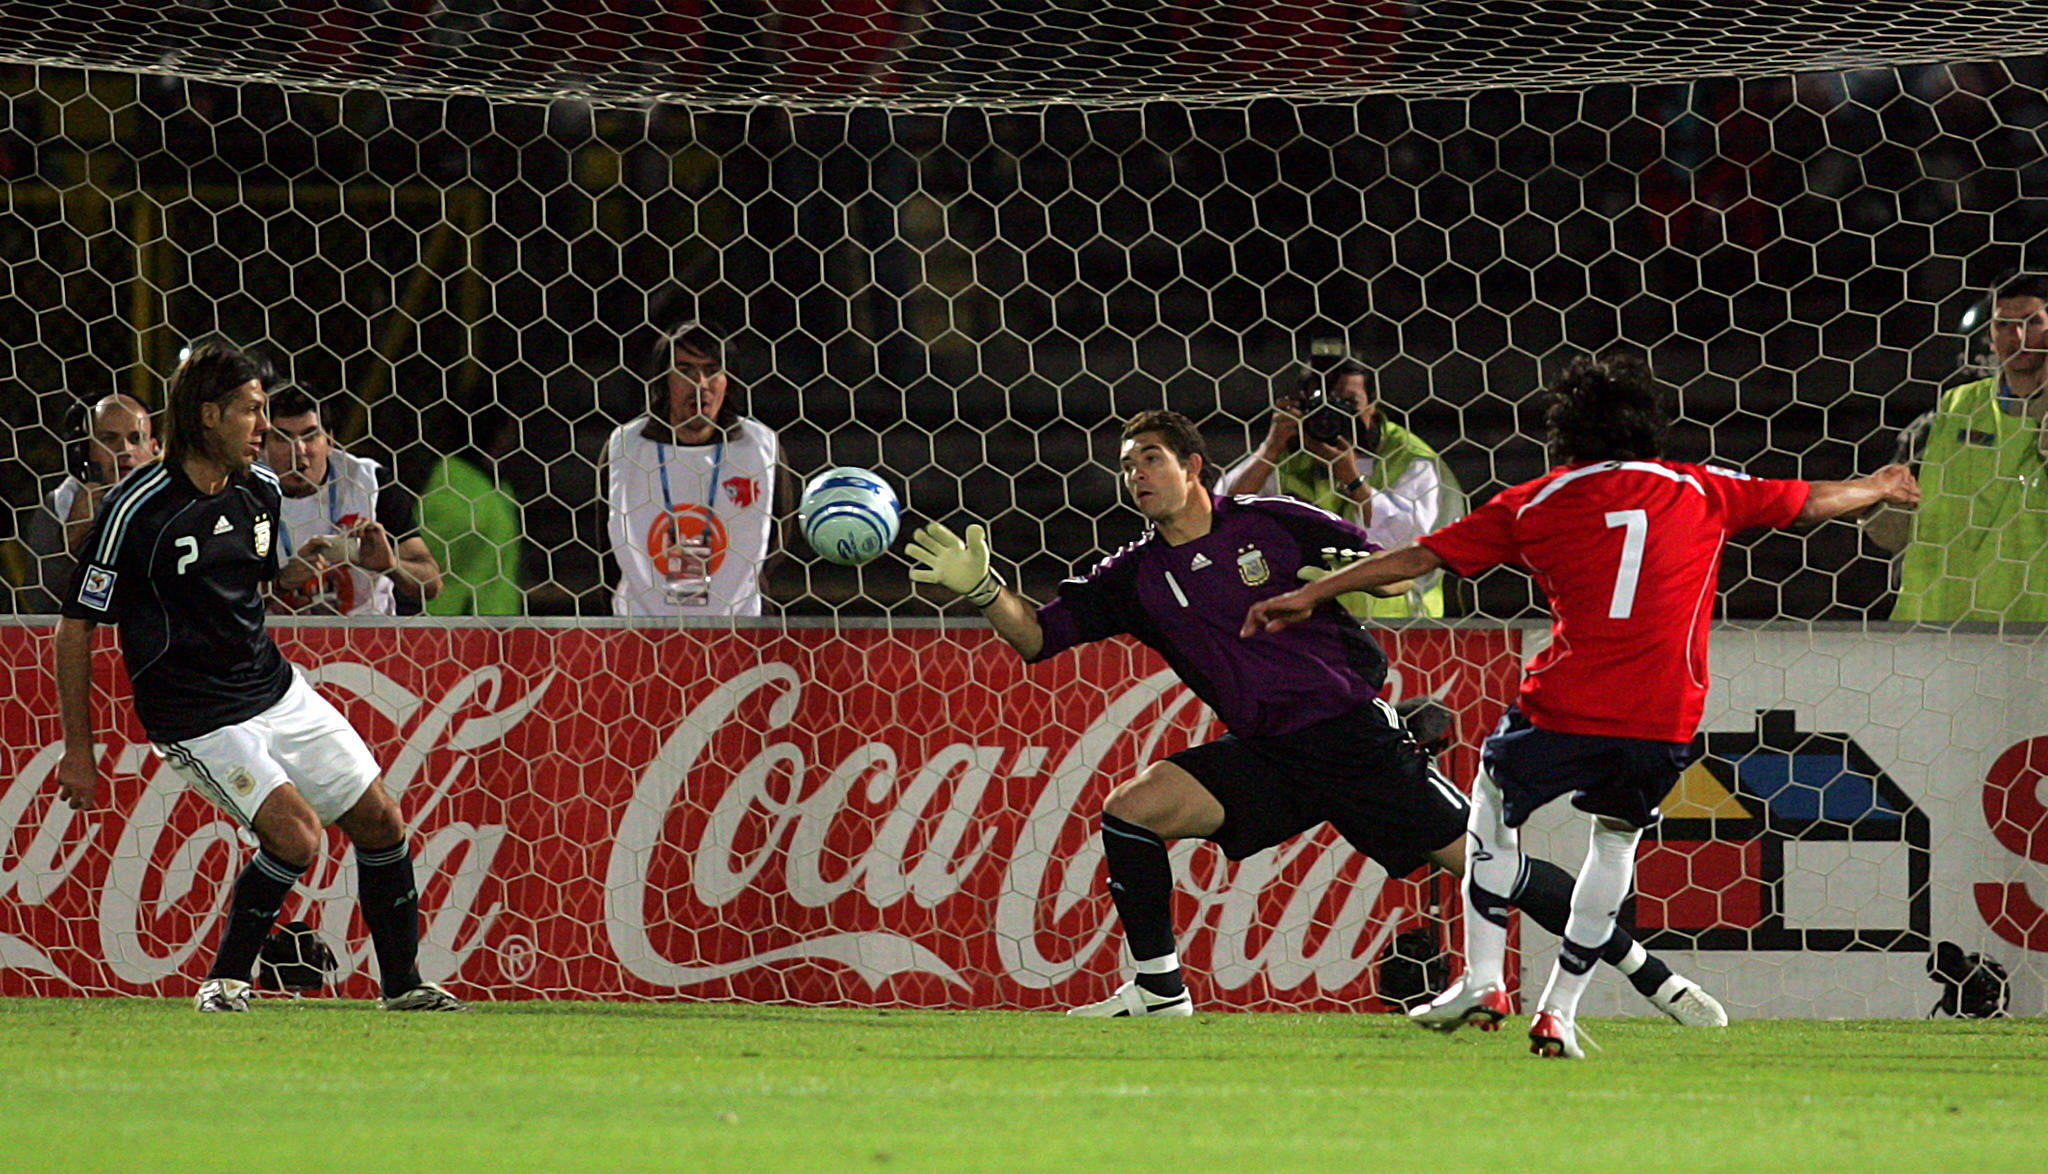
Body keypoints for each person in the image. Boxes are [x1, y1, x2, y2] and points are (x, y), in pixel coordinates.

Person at [908, 408, 1722, 1024]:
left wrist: (1358, 567)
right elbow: (1039, 636)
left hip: (1352, 739)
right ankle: (1159, 990)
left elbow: (1398, 573)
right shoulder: (1136, 577)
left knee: (1485, 868)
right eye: (1126, 466)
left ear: (1195, 466)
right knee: (1130, 815)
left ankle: (1650, 971)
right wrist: (981, 590)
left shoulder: (1269, 522)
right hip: (1266, 752)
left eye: (1150, 459)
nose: (1136, 476)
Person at [1247, 355, 1919, 1057]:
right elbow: (1811, 499)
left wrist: (1312, 593)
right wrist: (1877, 484)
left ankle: (1483, 978)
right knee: (1616, 843)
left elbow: (1413, 561)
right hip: (1664, 715)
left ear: (1563, 433)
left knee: (1491, 806)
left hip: (1564, 704)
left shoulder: (1538, 499)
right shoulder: (1703, 489)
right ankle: (1558, 1014)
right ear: (1648, 427)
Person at [52, 341, 465, 1013]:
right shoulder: (136, 507)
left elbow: (263, 582)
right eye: (251, 411)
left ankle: (403, 986)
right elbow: (76, 627)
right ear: (209, 415)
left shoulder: (260, 490)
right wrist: (79, 747)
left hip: (271, 687)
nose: (264, 429)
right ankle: (226, 982)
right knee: (295, 835)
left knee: (382, 819)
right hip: (195, 714)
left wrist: (327, 559)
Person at [1220, 352, 1464, 618]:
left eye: (1347, 402)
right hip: (1304, 623)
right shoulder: (1288, 453)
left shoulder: (1409, 458)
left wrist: (1352, 479)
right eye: (1320, 402)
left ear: (1372, 404)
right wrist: (1269, 450)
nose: (1333, 413)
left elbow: (1410, 547)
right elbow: (1221, 513)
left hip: (1396, 624)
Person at [1866, 272, 2048, 621]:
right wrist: (1875, 504)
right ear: (1989, 336)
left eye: (2031, 322)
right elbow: (1892, 530)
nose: (2018, 337)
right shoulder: (1949, 412)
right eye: (2004, 324)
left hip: (2031, 634)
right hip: (1936, 623)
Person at [603, 319, 788, 617]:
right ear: (664, 379)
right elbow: (607, 546)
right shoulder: (629, 446)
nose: (700, 383)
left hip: (735, 632)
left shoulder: (758, 448)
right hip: (642, 631)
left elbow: (779, 535)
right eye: (685, 370)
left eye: (712, 370)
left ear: (729, 381)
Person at [260, 384, 442, 616]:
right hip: (279, 643)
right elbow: (220, 598)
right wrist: (280, 583)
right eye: (282, 438)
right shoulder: (246, 494)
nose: (298, 450)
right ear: (262, 447)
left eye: (310, 435)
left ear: (330, 441)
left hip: (370, 642)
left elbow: (432, 584)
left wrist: (392, 565)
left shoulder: (370, 483)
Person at [21, 394, 161, 613]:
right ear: (85, 450)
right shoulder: (60, 506)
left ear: (155, 449)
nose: (124, 449)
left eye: (136, 439)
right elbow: (40, 604)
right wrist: (72, 541)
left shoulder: (180, 503)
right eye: (108, 439)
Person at [418, 404, 526, 616]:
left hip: (494, 620)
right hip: (455, 620)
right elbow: (432, 554)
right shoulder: (454, 481)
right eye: (510, 429)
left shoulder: (498, 486)